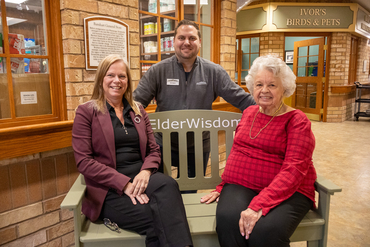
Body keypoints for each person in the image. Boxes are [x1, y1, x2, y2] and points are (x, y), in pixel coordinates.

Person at [72, 54, 193, 247]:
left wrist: (145, 172)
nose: (117, 81)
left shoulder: (138, 110)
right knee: (158, 217)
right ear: (101, 79)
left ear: (128, 81)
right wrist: (124, 184)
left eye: (122, 76)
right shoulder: (86, 112)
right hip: (109, 189)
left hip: (142, 179)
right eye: (111, 75)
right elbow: (84, 162)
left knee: (169, 185)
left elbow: (154, 150)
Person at [200, 55, 317, 247]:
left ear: (284, 88)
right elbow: (237, 151)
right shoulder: (248, 113)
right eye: (259, 84)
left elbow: (294, 170)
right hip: (242, 185)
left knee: (265, 232)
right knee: (228, 220)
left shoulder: (297, 121)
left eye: (272, 85)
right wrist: (223, 185)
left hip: (291, 191)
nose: (264, 90)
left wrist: (258, 204)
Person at [134, 19, 255, 179]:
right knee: (161, 190)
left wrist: (271, 114)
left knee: (190, 191)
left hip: (199, 145)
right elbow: (135, 104)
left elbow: (243, 100)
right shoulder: (157, 71)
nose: (186, 42)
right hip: (162, 144)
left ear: (199, 42)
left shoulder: (214, 72)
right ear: (174, 42)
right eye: (181, 38)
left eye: (192, 38)